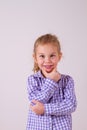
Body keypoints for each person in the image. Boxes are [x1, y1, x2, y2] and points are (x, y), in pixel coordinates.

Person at [26, 34, 77, 130]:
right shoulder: (32, 80)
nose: (47, 60)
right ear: (35, 58)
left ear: (59, 56)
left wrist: (45, 109)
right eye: (42, 56)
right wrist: (51, 82)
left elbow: (71, 105)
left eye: (52, 56)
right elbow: (35, 104)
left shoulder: (67, 80)